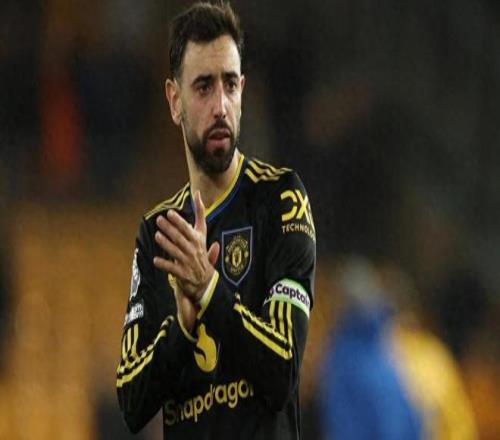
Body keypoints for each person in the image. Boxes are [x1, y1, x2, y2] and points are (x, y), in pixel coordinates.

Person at [116, 2, 316, 439]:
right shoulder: (159, 233)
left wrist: (209, 292)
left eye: (230, 84)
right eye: (204, 87)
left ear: (243, 90)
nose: (221, 106)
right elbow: (131, 401)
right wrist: (183, 330)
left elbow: (282, 371)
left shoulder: (281, 200)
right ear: (175, 101)